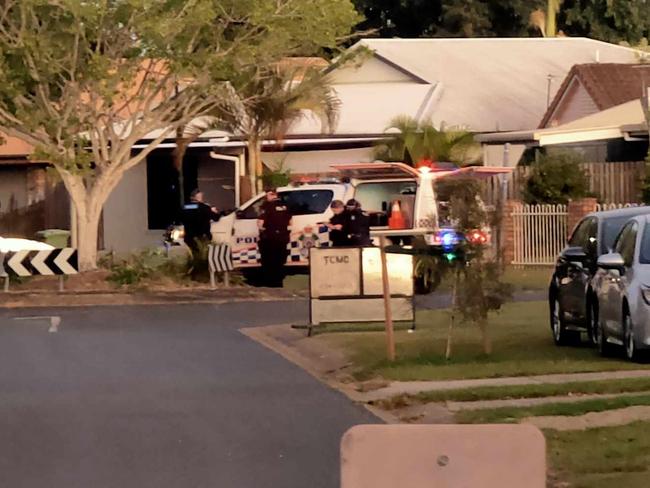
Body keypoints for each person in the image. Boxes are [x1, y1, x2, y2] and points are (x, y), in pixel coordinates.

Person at [257, 188, 292, 287]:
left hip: (270, 238)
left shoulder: (267, 206)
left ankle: (270, 283)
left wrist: (262, 230)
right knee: (280, 261)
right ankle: (279, 282)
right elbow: (290, 222)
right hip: (283, 238)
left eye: (267, 195)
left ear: (270, 195)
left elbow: (260, 223)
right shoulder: (285, 206)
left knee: (269, 262)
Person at [181, 189, 222, 254]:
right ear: (198, 198)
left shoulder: (185, 207)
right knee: (203, 255)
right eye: (202, 197)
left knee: (193, 254)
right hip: (202, 237)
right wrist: (215, 212)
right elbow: (216, 218)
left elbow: (181, 219)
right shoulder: (205, 208)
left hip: (189, 238)